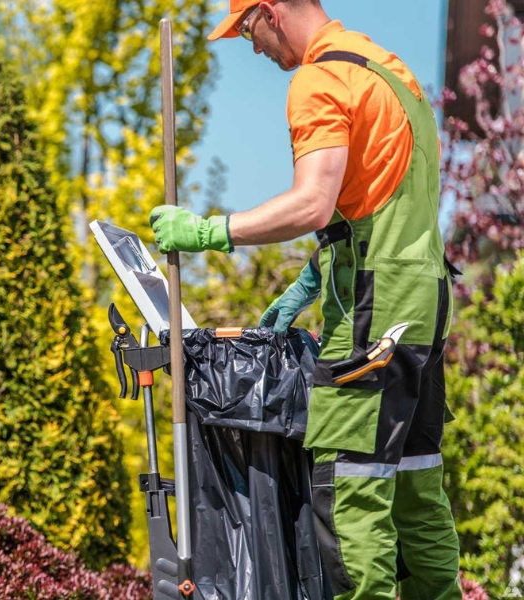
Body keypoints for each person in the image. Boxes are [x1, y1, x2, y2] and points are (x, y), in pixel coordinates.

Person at [148, 1, 463, 598]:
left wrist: (211, 231)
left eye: (246, 29)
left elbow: (312, 203)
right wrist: (315, 277)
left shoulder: (320, 80)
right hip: (424, 301)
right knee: (416, 486)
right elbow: (385, 199)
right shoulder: (391, 71)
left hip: (373, 310)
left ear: (270, 12)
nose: (252, 46)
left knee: (351, 491)